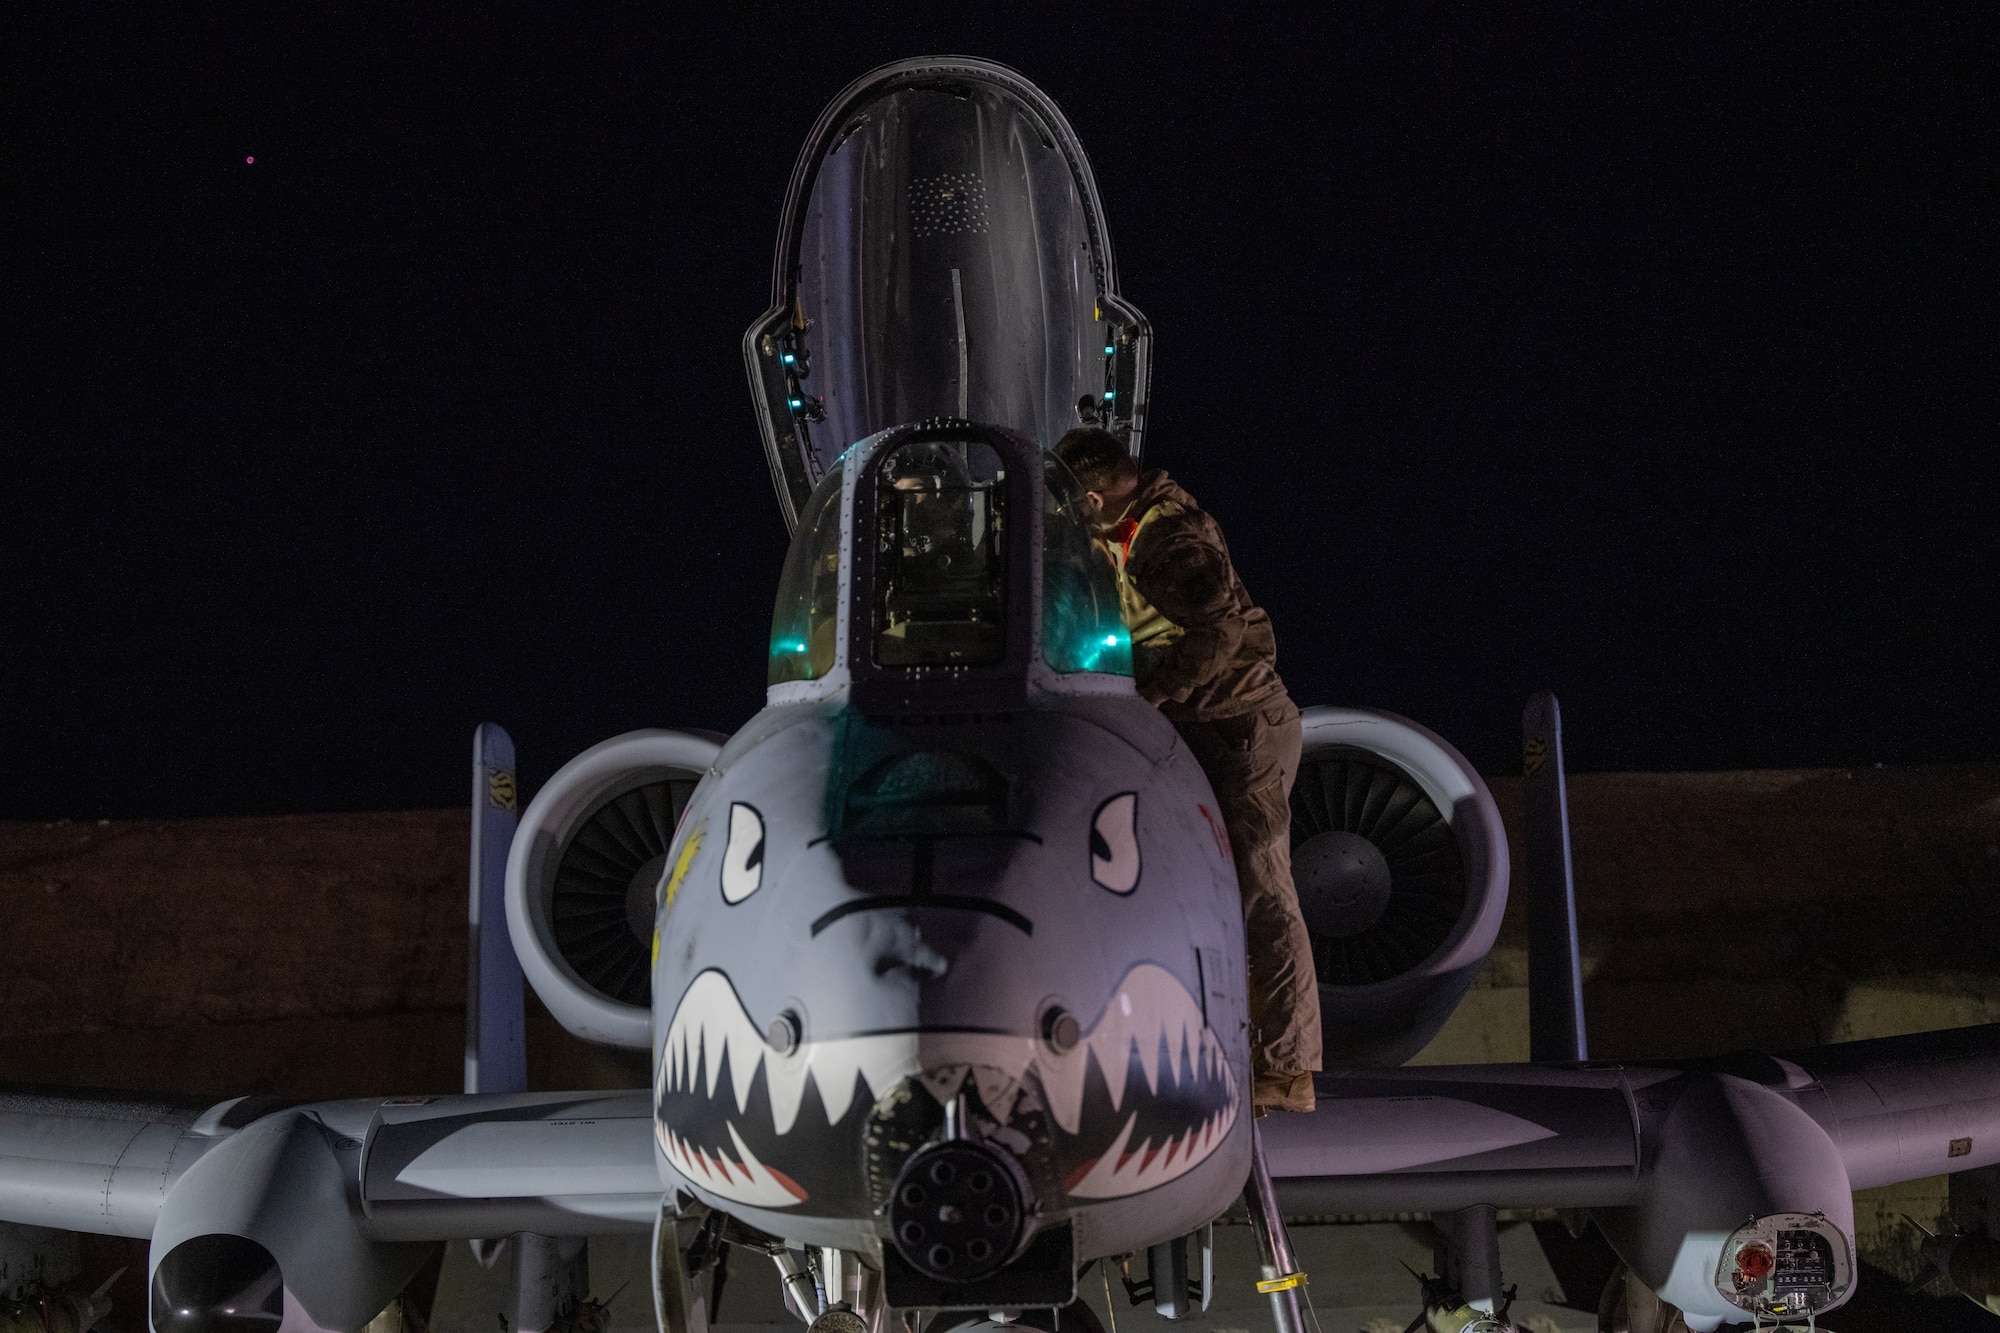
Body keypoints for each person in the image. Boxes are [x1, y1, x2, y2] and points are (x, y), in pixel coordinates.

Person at [1053, 426, 1321, 1114]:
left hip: (1242, 727)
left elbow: (1219, 631)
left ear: (1092, 499)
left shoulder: (1169, 537)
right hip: (1206, 728)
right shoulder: (1125, 534)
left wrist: (1154, 694)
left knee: (1263, 888)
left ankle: (1289, 1068)